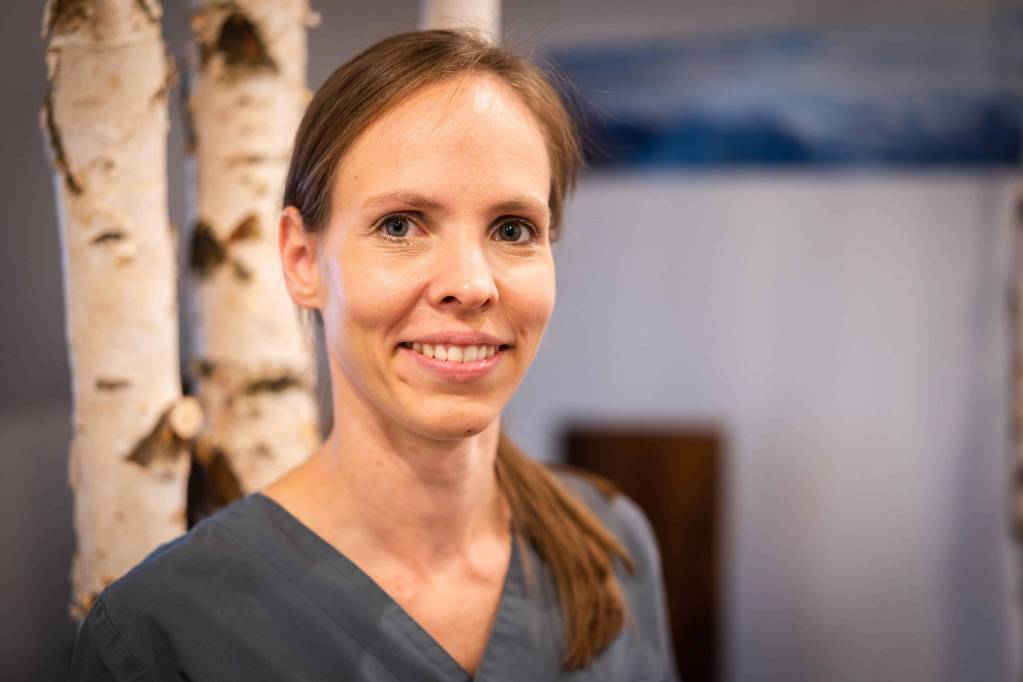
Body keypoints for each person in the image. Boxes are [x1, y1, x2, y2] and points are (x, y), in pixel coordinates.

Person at [67, 29, 680, 682]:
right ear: (302, 260)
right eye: (400, 225)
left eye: (512, 229)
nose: (471, 284)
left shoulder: (611, 549)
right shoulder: (161, 635)